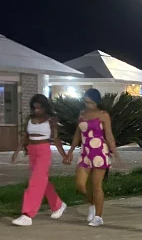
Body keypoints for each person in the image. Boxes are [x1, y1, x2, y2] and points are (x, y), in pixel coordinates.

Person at [11, 94, 69, 227]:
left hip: (43, 151)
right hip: (32, 151)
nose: (37, 111)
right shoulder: (30, 119)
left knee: (35, 181)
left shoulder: (51, 119)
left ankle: (27, 214)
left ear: (45, 107)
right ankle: (58, 205)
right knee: (42, 181)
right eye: (34, 108)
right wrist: (16, 152)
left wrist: (64, 155)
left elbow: (56, 139)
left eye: (39, 108)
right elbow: (25, 136)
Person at [65, 88, 119, 227]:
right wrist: (70, 151)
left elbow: (109, 135)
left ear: (95, 100)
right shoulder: (82, 114)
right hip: (85, 152)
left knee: (96, 185)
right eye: (85, 99)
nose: (86, 101)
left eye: (89, 99)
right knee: (80, 184)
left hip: (100, 152)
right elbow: (77, 134)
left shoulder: (103, 115)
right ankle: (92, 204)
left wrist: (115, 152)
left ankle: (98, 217)